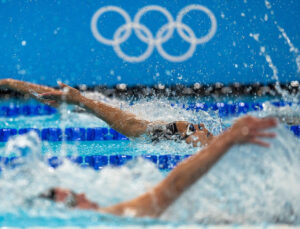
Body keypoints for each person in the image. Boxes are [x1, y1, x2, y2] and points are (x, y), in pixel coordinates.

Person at [39, 115, 277, 218]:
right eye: (73, 199)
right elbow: (171, 187)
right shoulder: (109, 218)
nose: (82, 193)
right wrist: (227, 140)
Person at [0, 78, 213, 146]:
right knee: (72, 103)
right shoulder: (186, 131)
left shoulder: (189, 134)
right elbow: (137, 129)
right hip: (129, 116)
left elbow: (137, 129)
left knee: (72, 103)